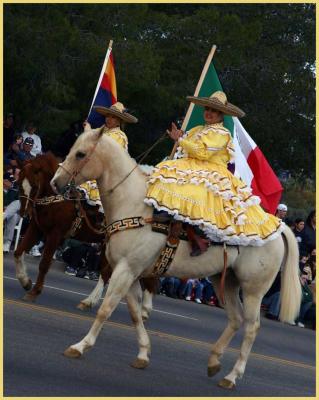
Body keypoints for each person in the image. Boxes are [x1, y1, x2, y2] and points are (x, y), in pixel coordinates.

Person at [144, 91, 284, 256]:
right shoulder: (197, 129)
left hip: (212, 172)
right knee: (161, 175)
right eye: (207, 109)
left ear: (221, 115)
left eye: (214, 111)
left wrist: (180, 140)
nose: (209, 113)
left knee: (194, 192)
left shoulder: (221, 133)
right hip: (191, 166)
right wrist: (181, 138)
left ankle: (199, 237)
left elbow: (202, 152)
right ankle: (163, 219)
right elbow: (187, 147)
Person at [3, 172, 20, 252]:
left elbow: (18, 206)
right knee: (14, 217)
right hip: (8, 214)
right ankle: (6, 243)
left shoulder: (14, 191)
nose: (13, 183)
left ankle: (4, 216)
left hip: (8, 214)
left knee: (17, 202)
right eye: (11, 181)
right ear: (4, 181)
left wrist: (7, 209)